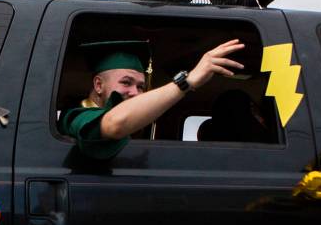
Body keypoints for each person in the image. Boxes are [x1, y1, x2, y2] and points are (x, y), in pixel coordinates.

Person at [59, 38, 245, 158]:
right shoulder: (74, 117)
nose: (135, 92)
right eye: (126, 83)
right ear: (98, 85)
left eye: (140, 86)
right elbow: (115, 123)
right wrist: (187, 82)